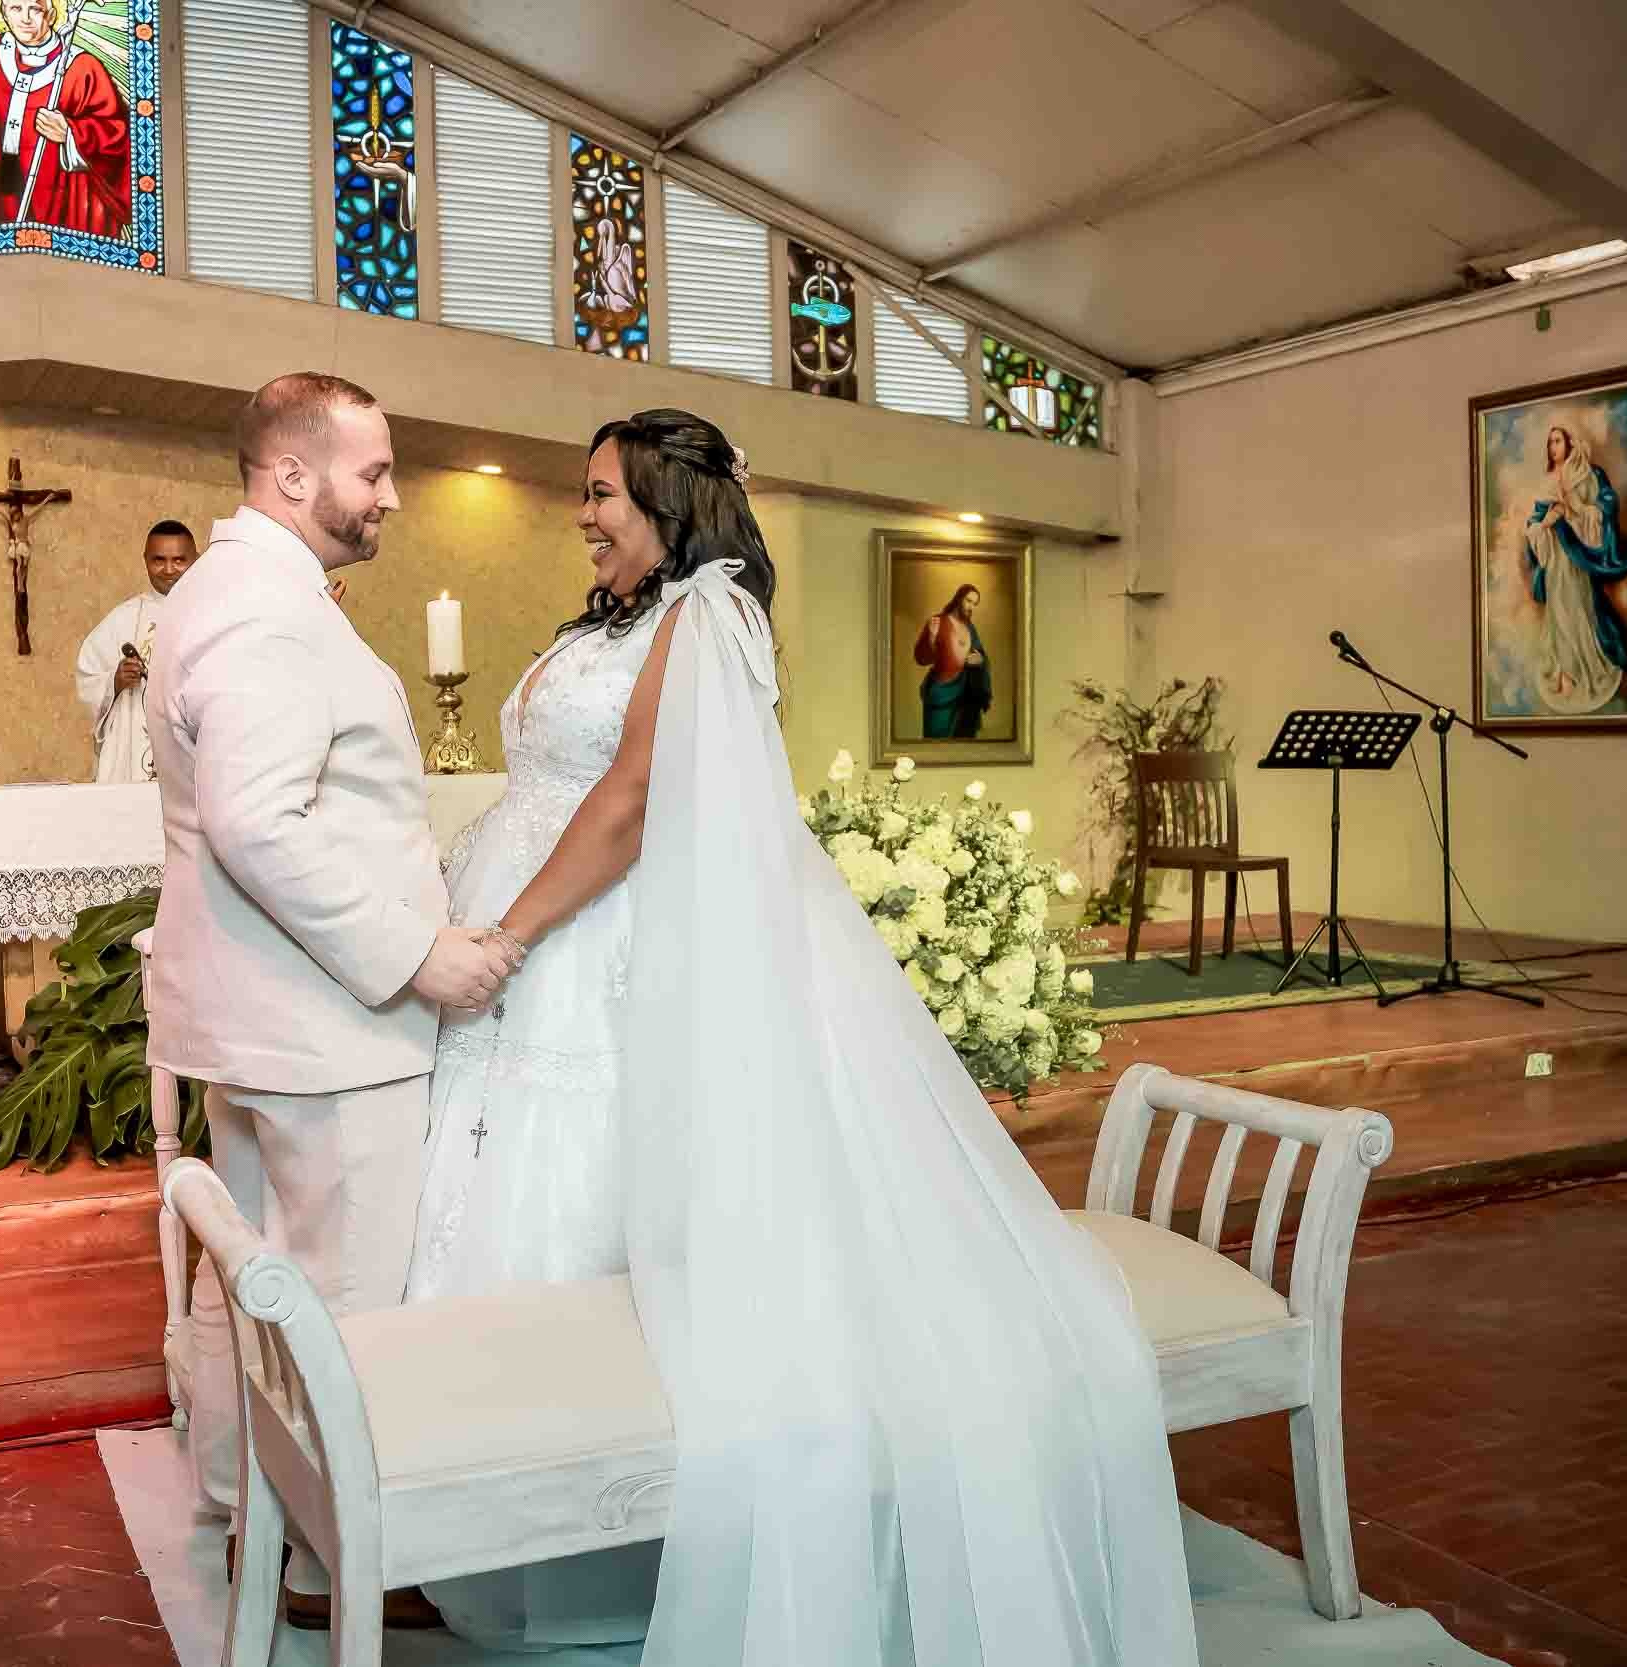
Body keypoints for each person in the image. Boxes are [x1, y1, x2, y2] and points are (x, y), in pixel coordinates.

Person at [406, 408, 1199, 1663]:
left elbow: (626, 805)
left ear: (669, 502)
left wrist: (505, 935)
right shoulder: (613, 620)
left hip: (588, 950)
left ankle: (603, 1538)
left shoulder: (706, 612)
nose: (583, 512)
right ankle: (480, 1500)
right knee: (521, 1204)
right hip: (533, 961)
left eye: (602, 490)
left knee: (594, 1211)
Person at [144, 371, 518, 1622]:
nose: (392, 496)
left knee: (244, 1274)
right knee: (348, 1293)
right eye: (374, 471)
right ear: (292, 475)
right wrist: (416, 955)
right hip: (323, 1025)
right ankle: (330, 1561)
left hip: (260, 1017)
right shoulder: (266, 610)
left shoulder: (233, 586)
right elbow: (260, 823)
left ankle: (243, 1504)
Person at [0, 0, 131, 236]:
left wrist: (70, 134)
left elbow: (117, 137)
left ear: (52, 15)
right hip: (1, 185)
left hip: (61, 194)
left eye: (35, 9)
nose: (25, 18)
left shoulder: (82, 67)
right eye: (15, 8)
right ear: (3, 13)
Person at [1520, 423, 1627, 715]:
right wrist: (1547, 523)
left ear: (1570, 444)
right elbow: (1535, 524)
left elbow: (1601, 512)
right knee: (1558, 616)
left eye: (1558, 441)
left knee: (1578, 612)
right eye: (1550, 442)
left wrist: (1572, 510)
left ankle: (1585, 667)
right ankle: (1564, 672)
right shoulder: (1548, 481)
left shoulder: (1588, 475)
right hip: (1556, 562)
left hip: (1577, 562)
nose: (1553, 447)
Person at [74, 519, 194, 783]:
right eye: (158, 560)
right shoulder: (123, 619)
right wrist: (115, 682)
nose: (168, 569)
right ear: (145, 560)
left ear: (195, 560)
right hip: (134, 753)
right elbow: (88, 676)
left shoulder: (212, 616)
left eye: (179, 560)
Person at [914, 582, 992, 738]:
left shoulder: (970, 628)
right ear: (958, 599)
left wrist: (980, 660)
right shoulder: (938, 622)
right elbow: (921, 658)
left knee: (962, 745)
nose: (971, 607)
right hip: (940, 694)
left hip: (965, 694)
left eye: (975, 604)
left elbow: (980, 655)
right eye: (968, 601)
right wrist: (931, 637)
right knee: (936, 744)